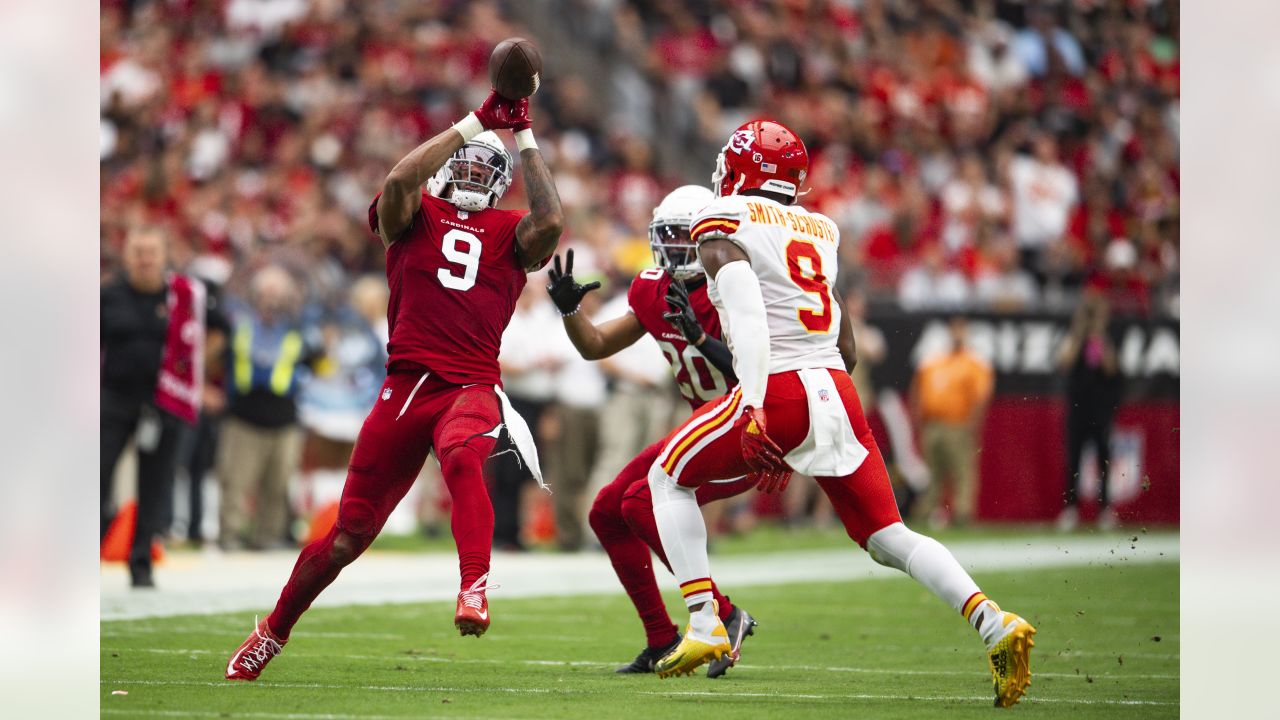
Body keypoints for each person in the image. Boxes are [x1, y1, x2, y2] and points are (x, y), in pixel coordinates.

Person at [646, 120, 1035, 708]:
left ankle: (704, 621)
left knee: (666, 478)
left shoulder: (726, 220)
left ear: (745, 167)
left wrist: (753, 405)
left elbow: (750, 315)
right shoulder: (820, 228)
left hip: (777, 385)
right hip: (835, 386)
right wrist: (813, 422)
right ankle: (994, 623)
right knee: (888, 535)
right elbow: (847, 345)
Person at [226, 91, 563, 680]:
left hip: (471, 385)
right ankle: (272, 632)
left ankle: (474, 585)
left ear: (503, 178)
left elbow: (552, 220)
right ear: (449, 163)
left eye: (487, 164)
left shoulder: (513, 231)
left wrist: (525, 134)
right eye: (465, 160)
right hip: (406, 387)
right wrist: (478, 122)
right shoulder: (412, 214)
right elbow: (402, 176)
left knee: (463, 455)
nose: (472, 170)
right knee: (346, 538)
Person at [546, 186, 758, 678]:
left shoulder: (737, 290)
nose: (676, 249)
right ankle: (662, 638)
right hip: (704, 429)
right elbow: (596, 346)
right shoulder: (650, 287)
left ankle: (722, 613)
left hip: (752, 431)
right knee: (605, 512)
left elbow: (758, 370)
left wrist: (701, 337)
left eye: (685, 238)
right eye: (668, 238)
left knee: (640, 503)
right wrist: (570, 311)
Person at [101, 227, 205, 588]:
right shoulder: (107, 295)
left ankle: (141, 563)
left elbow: (218, 329)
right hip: (113, 401)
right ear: (127, 256)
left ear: (164, 256)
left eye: (151, 252)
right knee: (96, 478)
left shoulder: (184, 297)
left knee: (154, 485)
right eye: (138, 252)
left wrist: (199, 377)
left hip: (164, 402)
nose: (145, 259)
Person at [217, 265, 320, 551]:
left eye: (277, 294)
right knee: (236, 482)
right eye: (266, 293)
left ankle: (268, 536)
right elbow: (219, 360)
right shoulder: (238, 325)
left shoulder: (299, 333)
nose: (271, 301)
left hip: (284, 419)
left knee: (277, 485)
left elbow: (316, 365)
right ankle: (230, 536)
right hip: (243, 417)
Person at [909, 316, 995, 528]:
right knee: (933, 474)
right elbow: (918, 389)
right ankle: (926, 513)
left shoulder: (974, 362)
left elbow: (981, 396)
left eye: (961, 329)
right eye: (954, 329)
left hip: (958, 425)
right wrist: (919, 419)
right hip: (933, 425)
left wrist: (972, 423)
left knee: (962, 472)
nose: (957, 334)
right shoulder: (935, 360)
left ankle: (962, 515)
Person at [1056, 293, 1123, 530]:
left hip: (1101, 411)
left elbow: (1110, 367)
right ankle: (1071, 508)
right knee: (1073, 461)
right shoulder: (1073, 339)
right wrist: (1079, 332)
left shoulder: (1105, 339)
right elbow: (1064, 363)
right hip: (1077, 410)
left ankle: (1104, 508)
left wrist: (1097, 336)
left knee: (1103, 460)